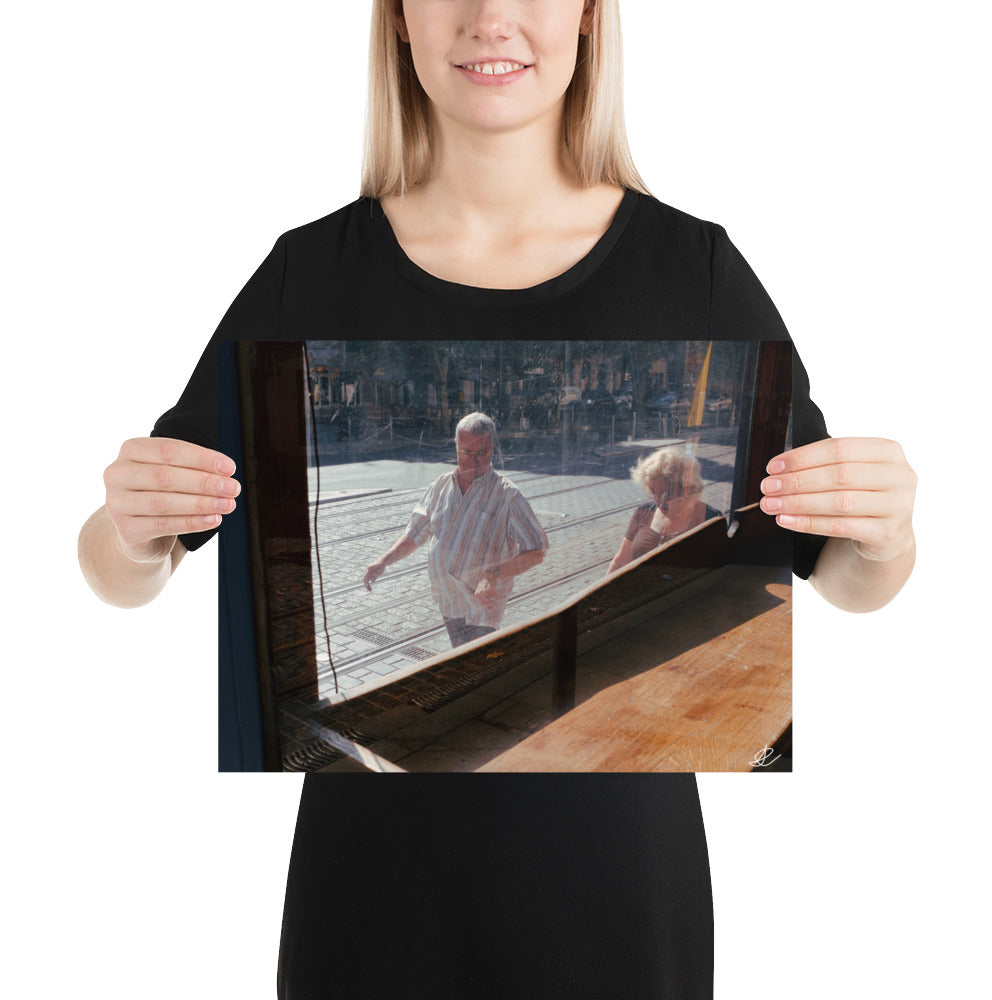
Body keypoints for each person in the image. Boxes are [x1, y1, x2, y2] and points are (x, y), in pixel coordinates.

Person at [78, 2, 917, 996]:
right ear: (396, 19)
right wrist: (129, 532)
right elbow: (123, 569)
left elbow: (843, 578)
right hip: (372, 893)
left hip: (614, 893)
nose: (491, 18)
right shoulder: (309, 271)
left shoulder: (694, 270)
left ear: (591, 18)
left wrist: (885, 532)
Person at [363, 412, 548, 648]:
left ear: (492, 449)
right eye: (466, 453)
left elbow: (537, 551)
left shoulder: (508, 495)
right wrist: (383, 561)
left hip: (482, 605)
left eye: (482, 453)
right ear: (456, 447)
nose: (474, 461)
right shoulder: (440, 486)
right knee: (462, 661)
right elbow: (415, 533)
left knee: (474, 664)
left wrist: (493, 574)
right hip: (449, 600)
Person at [607, 447, 721, 574]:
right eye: (654, 491)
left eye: (668, 492)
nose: (660, 501)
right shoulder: (643, 512)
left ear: (686, 488)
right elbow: (620, 562)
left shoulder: (710, 519)